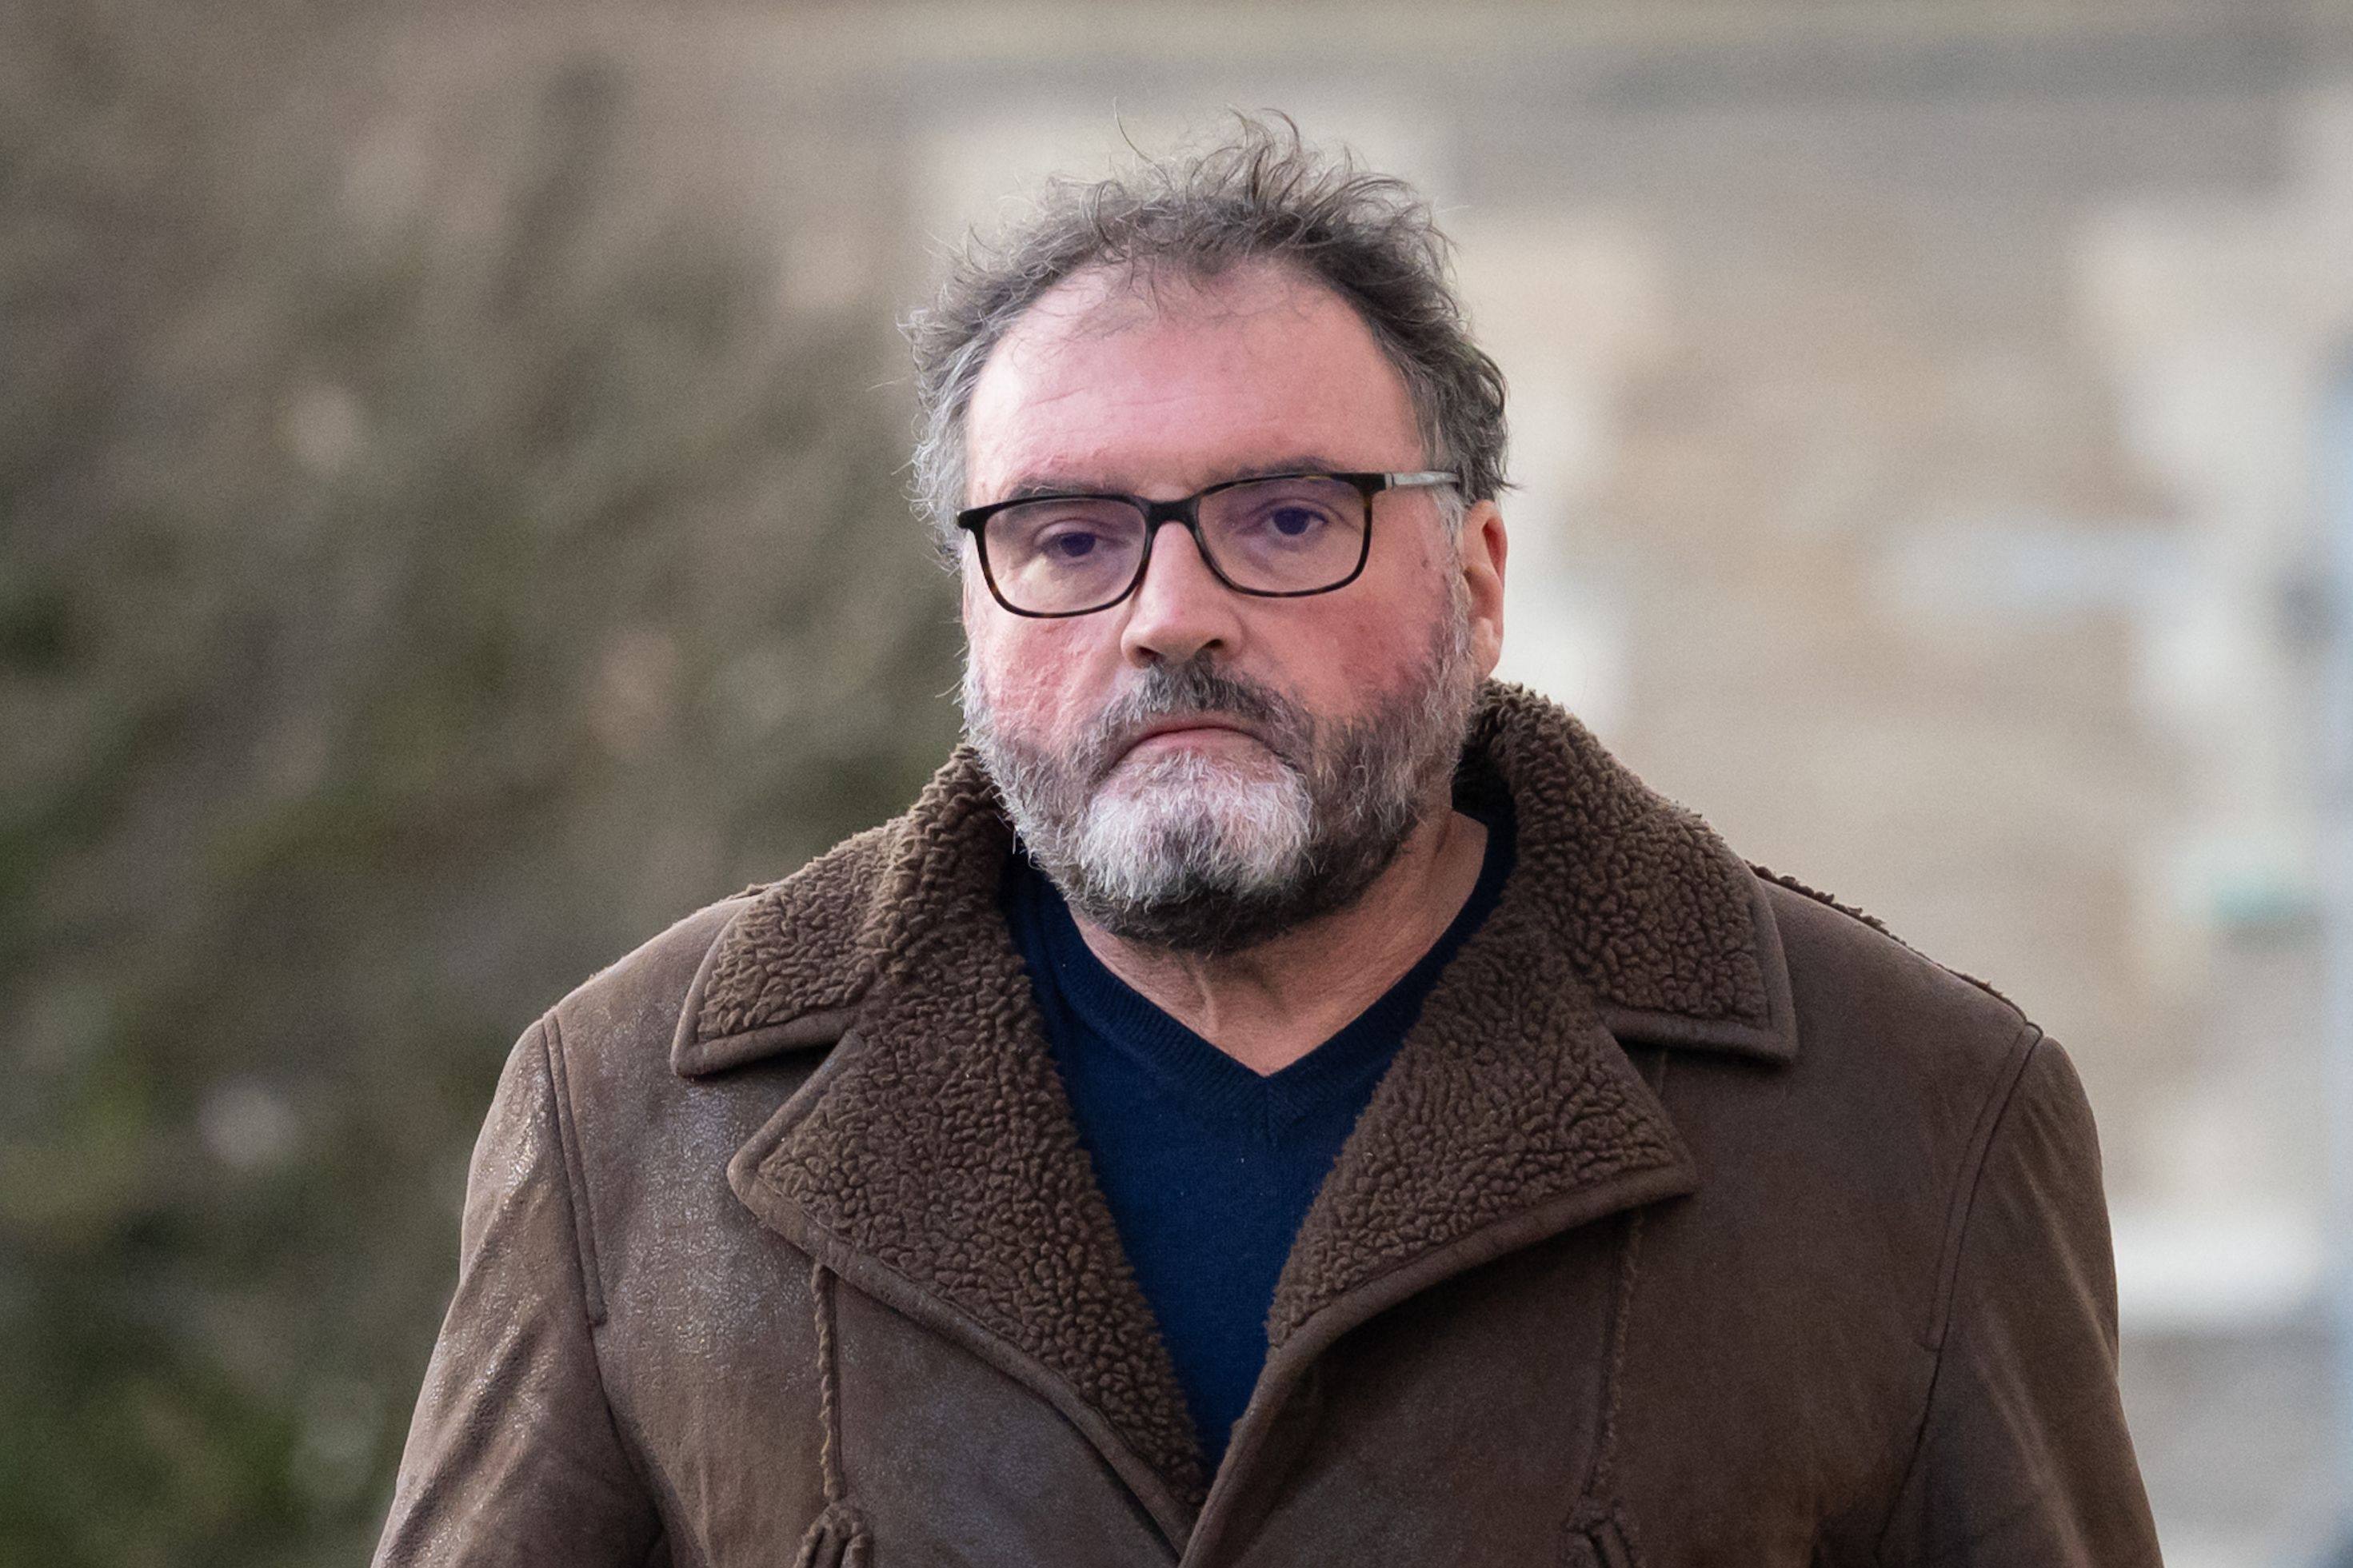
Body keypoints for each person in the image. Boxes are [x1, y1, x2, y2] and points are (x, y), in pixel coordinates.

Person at [374, 119, 2163, 1566]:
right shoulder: (637, 1116)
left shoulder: (1910, 1112)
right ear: (977, 617)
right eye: (1069, 538)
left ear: (1473, 588)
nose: (1170, 616)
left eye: (1286, 517)